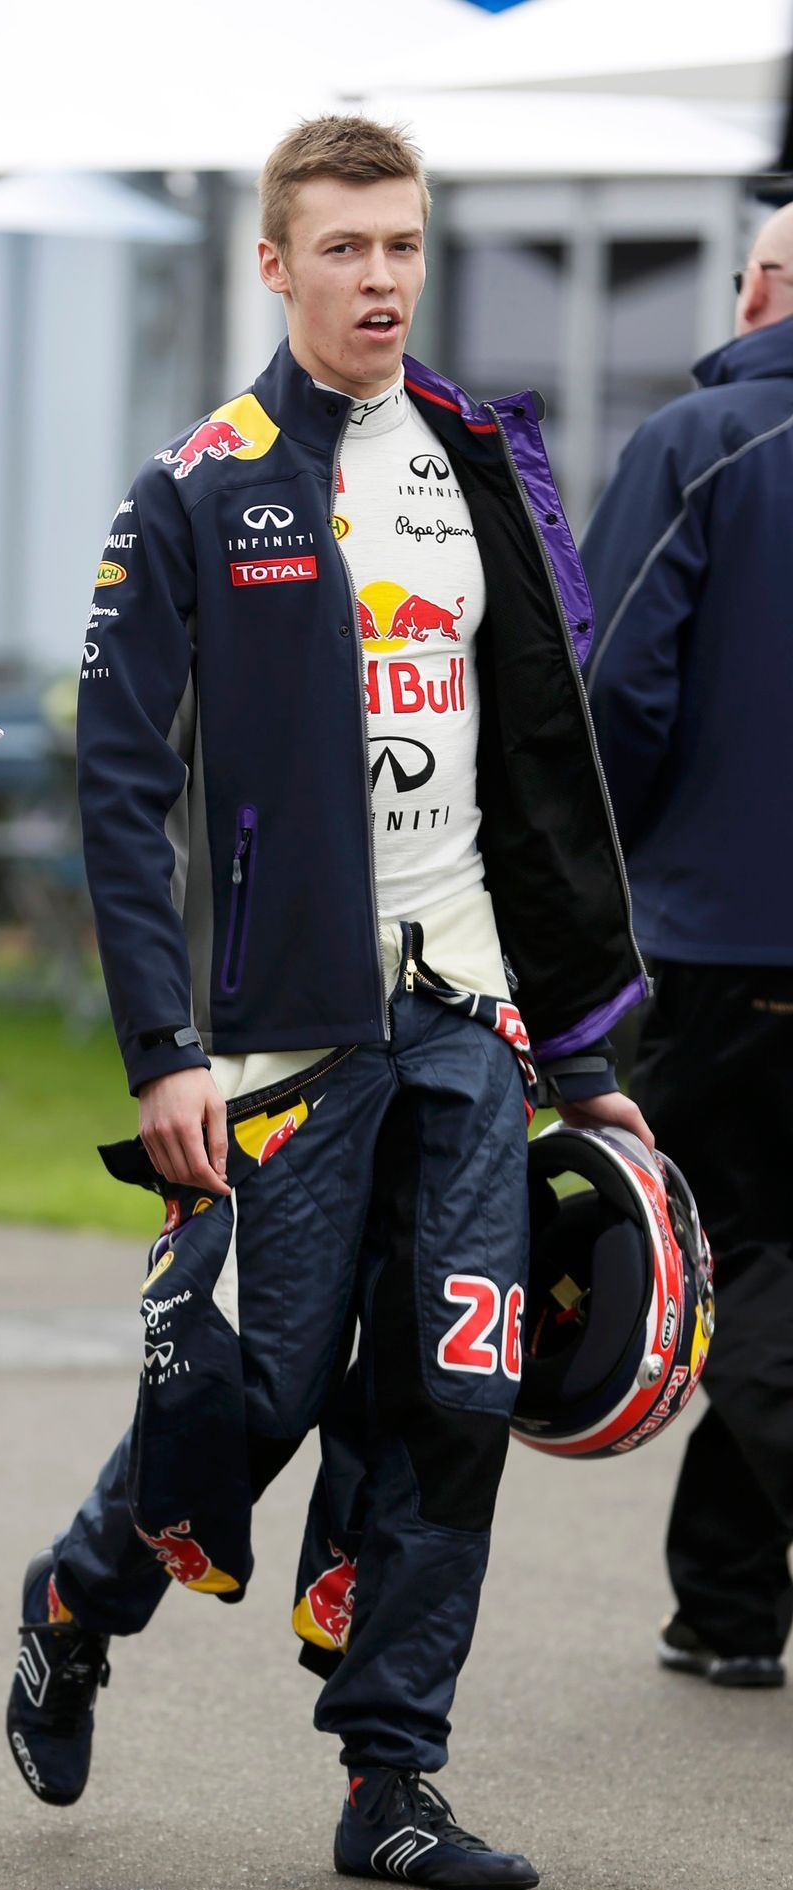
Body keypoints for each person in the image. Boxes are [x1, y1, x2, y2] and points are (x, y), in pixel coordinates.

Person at [6, 115, 653, 1890]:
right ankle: (77, 1592)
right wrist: (161, 1054)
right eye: (346, 247)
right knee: (263, 1390)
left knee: (459, 1378)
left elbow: (539, 760)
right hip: (282, 1028)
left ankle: (393, 1778)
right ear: (274, 262)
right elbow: (119, 793)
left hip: (469, 1011)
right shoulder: (199, 481)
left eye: (405, 246)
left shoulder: (474, 460)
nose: (382, 278)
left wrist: (583, 1048)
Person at [582, 202, 793, 1691]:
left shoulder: (706, 440)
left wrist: (595, 879)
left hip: (723, 932)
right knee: (778, 1257)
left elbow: (609, 693)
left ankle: (727, 1594)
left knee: (732, 1253)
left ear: (765, 286)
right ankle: (724, 1600)